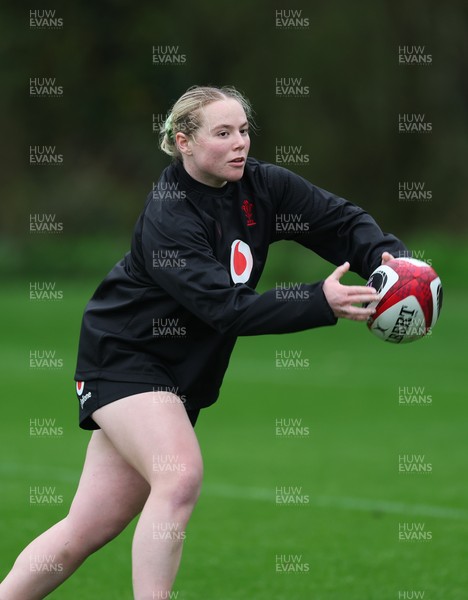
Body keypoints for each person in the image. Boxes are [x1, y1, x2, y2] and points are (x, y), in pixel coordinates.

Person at [0, 85, 406, 599]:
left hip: (181, 378)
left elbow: (340, 221)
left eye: (243, 130)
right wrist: (319, 302)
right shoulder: (169, 215)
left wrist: (393, 263)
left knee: (82, 532)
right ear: (183, 141)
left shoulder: (262, 186)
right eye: (223, 133)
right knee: (180, 475)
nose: (240, 143)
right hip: (124, 358)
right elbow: (224, 307)